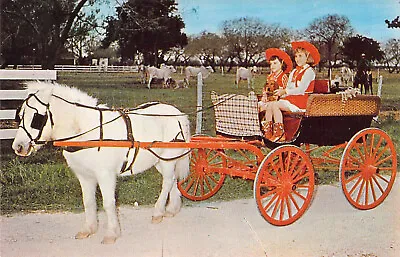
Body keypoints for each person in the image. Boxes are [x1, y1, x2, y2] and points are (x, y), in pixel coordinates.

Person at [269, 41, 320, 142]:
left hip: (303, 101)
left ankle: (280, 133)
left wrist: (285, 92)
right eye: (296, 56)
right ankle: (269, 131)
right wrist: (282, 92)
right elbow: (289, 86)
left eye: (300, 56)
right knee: (271, 104)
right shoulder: (294, 71)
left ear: (307, 57)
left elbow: (301, 90)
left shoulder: (309, 72)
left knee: (275, 105)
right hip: (293, 98)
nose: (297, 59)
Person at [259, 48, 293, 140]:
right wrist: (264, 95)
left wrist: (278, 94)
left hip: (279, 100)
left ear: (281, 63)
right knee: (257, 106)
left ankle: (271, 130)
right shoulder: (270, 76)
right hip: (269, 100)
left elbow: (285, 91)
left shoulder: (283, 77)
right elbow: (265, 89)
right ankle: (266, 130)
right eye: (271, 64)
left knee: (266, 106)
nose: (272, 66)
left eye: (275, 63)